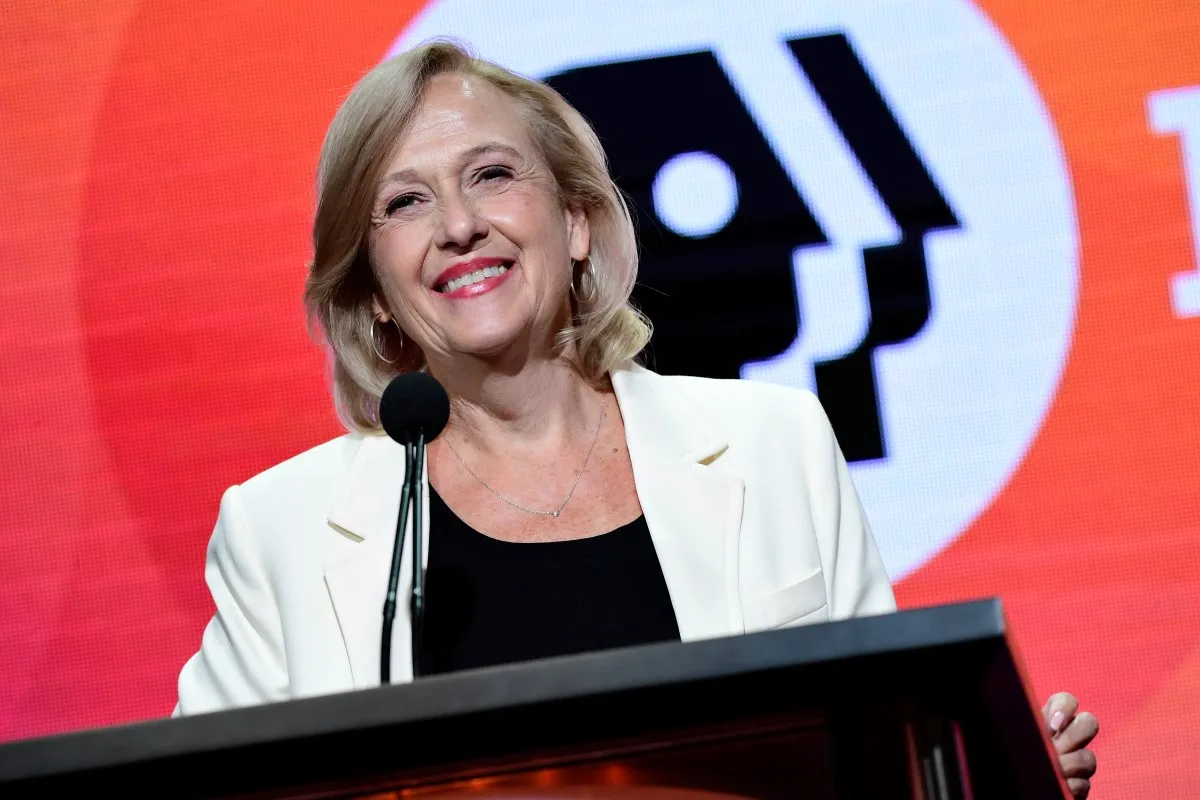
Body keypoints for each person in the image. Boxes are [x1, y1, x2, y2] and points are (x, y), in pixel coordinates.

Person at [174, 40, 1098, 797]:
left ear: (576, 222)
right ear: (372, 289)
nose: (458, 225)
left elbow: (877, 765)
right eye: (406, 201)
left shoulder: (775, 448)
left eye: (491, 175)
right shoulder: (281, 533)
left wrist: (995, 778)